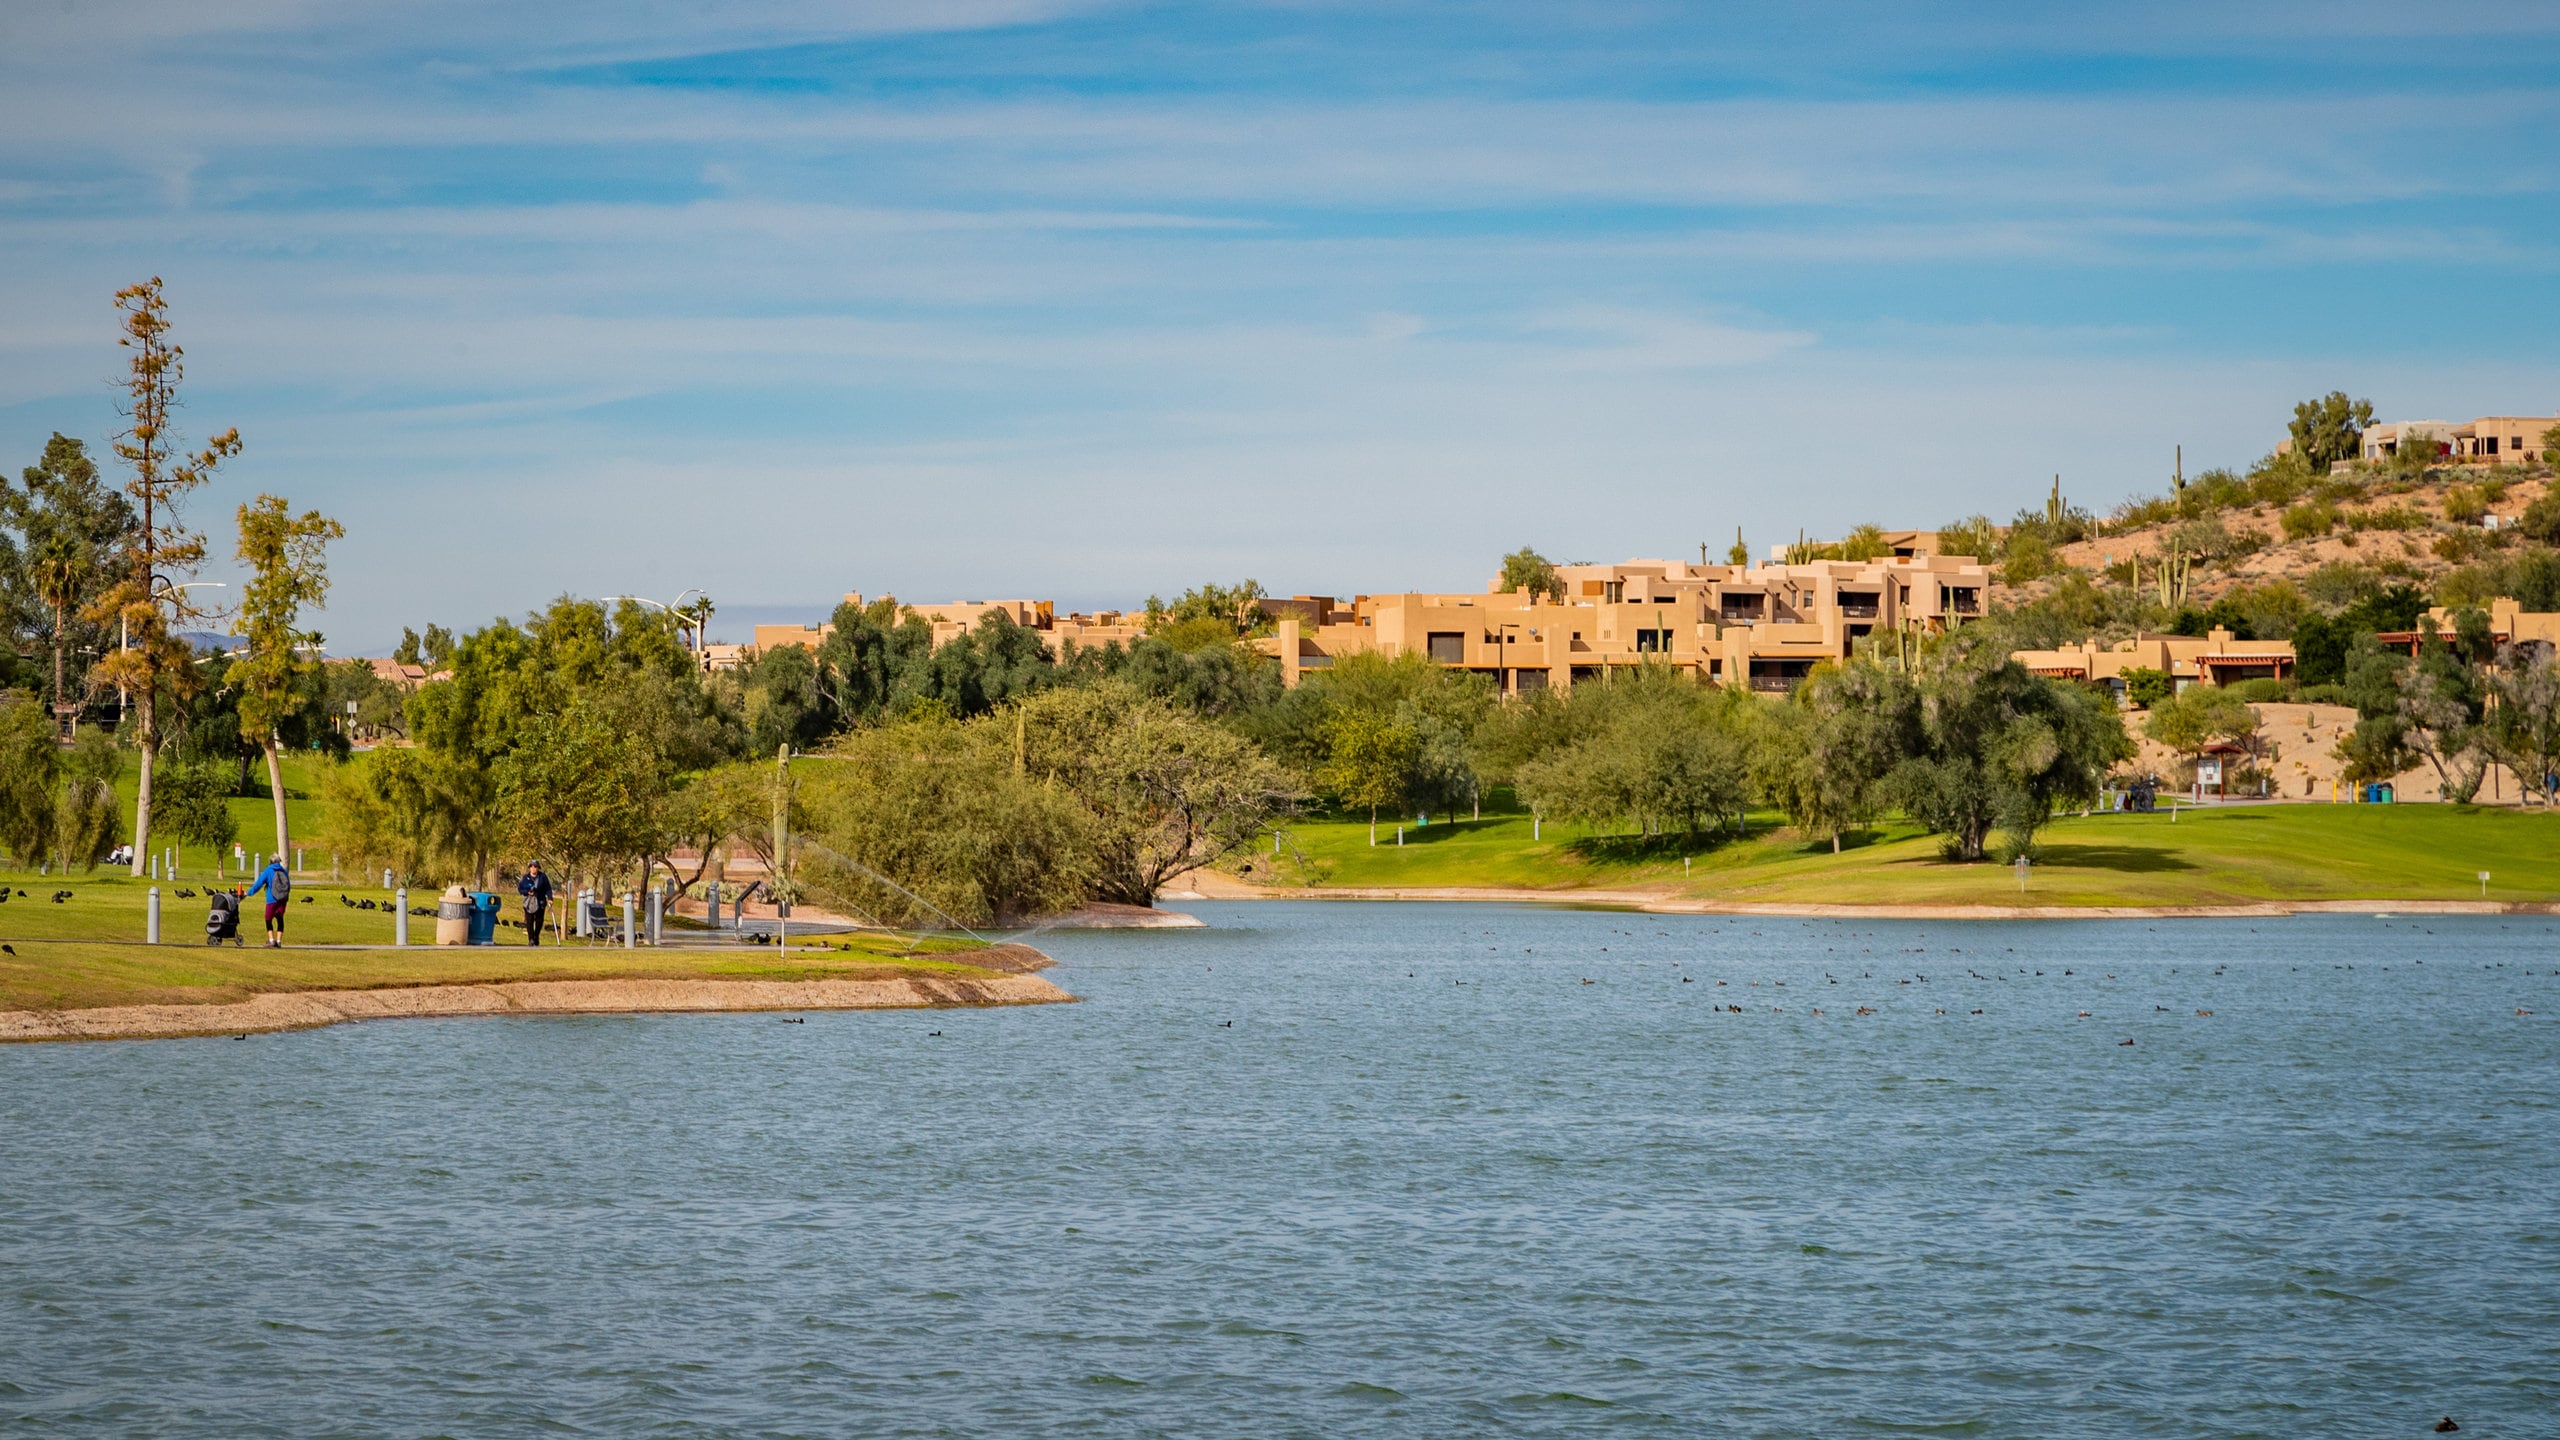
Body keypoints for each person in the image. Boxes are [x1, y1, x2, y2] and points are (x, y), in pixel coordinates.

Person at [243, 856, 292, 948]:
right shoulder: (284, 871)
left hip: (272, 899)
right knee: (280, 919)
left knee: (268, 919)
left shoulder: (268, 871)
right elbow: (288, 885)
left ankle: (271, 940)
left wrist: (248, 893)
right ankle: (279, 941)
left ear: (270, 861)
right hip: (283, 899)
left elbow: (258, 884)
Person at [518, 861, 553, 946]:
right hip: (528, 902)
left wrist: (550, 898)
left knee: (539, 921)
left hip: (540, 901)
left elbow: (548, 888)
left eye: (535, 867)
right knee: (529, 921)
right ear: (530, 868)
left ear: (538, 868)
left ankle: (536, 936)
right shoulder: (525, 878)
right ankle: (531, 939)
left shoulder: (542, 877)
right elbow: (520, 889)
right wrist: (527, 892)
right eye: (532, 866)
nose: (533, 868)